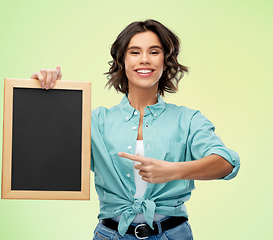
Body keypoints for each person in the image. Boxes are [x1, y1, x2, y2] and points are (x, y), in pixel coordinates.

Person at [30, 19, 240, 240]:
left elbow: (227, 162)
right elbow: (51, 156)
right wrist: (49, 95)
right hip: (110, 235)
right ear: (122, 60)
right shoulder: (96, 122)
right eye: (135, 52)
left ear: (166, 60)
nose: (145, 60)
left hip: (172, 234)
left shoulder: (187, 119)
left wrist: (173, 170)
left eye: (154, 51)